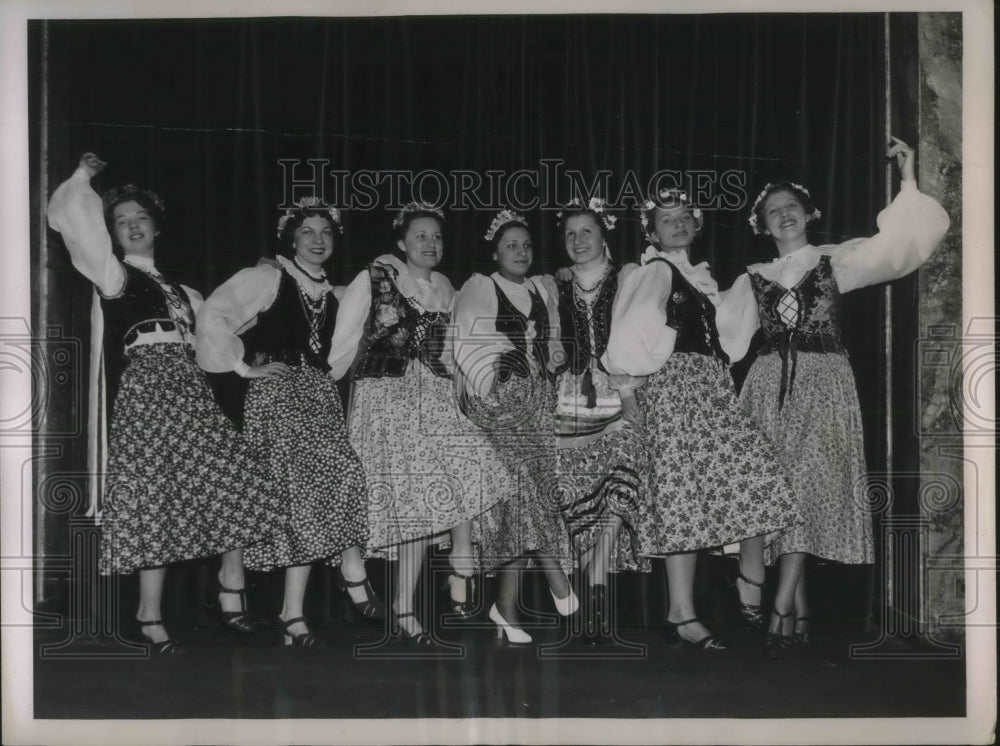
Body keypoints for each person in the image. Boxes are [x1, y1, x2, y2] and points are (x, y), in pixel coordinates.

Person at [719, 137, 950, 656]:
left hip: (823, 384)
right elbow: (719, 335)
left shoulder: (835, 260)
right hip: (768, 385)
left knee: (805, 486)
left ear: (808, 214)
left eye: (791, 208)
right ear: (762, 224)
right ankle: (798, 608)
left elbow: (900, 248)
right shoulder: (753, 279)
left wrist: (908, 180)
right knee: (776, 491)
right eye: (773, 212)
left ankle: (781, 603)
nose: (784, 216)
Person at [46, 153, 281, 654]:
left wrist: (244, 366)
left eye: (140, 219)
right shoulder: (114, 276)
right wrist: (84, 179)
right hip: (147, 391)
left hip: (189, 388)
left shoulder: (182, 291)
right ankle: (149, 614)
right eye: (121, 222)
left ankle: (231, 582)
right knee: (156, 500)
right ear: (111, 233)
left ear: (156, 227)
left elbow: (216, 329)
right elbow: (76, 224)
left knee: (234, 475)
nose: (132, 226)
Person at [603, 187, 800, 651]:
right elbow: (629, 329)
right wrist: (629, 389)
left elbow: (730, 335)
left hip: (710, 386)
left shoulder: (699, 277)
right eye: (665, 219)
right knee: (682, 497)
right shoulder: (654, 271)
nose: (677, 224)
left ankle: (747, 583)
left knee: (755, 474)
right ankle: (682, 613)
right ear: (651, 231)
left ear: (696, 223)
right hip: (675, 387)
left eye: (684, 216)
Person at [195, 197, 384, 649]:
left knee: (338, 479)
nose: (317, 241)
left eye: (325, 233)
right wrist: (244, 368)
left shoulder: (336, 295)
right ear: (291, 239)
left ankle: (300, 605)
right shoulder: (269, 277)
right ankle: (320, 592)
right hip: (276, 396)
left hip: (317, 395)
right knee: (297, 495)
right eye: (307, 233)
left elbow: (342, 352)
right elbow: (213, 315)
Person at [328, 202, 501, 646]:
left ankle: (458, 564)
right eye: (421, 236)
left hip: (436, 396)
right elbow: (344, 340)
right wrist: (325, 388)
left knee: (473, 465)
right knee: (413, 503)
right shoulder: (377, 277)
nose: (431, 244)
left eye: (437, 237)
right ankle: (404, 607)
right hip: (388, 396)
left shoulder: (448, 288)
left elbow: (456, 353)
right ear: (402, 242)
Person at [452, 209, 576, 645]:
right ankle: (556, 576)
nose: (520, 252)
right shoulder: (481, 286)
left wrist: (553, 357)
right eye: (511, 245)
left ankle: (504, 609)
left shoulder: (541, 288)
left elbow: (554, 342)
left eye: (525, 245)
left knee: (523, 502)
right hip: (502, 401)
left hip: (540, 400)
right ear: (495, 252)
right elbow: (469, 340)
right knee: (523, 490)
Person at [551, 198, 650, 646]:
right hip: (572, 396)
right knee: (579, 494)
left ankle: (594, 585)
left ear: (604, 234)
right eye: (570, 234)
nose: (578, 241)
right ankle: (591, 611)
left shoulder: (629, 276)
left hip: (619, 390)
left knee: (621, 484)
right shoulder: (554, 285)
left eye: (586, 231)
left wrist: (628, 390)